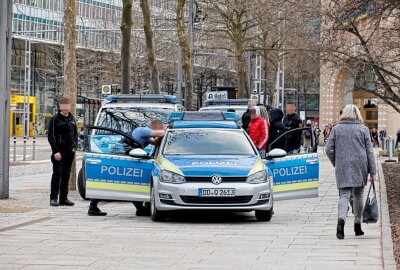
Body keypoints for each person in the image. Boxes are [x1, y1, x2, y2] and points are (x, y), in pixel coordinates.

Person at [88, 119, 167, 216]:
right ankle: (92, 207)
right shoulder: (143, 130)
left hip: (125, 157)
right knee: (110, 182)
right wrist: (166, 128)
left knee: (132, 182)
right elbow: (161, 133)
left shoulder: (146, 136)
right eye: (157, 129)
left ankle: (140, 209)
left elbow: (155, 141)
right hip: (120, 158)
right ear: (154, 127)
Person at [325, 104, 376, 239]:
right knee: (358, 195)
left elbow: (328, 149)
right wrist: (373, 171)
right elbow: (369, 151)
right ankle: (357, 225)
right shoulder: (363, 129)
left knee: (344, 195)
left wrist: (336, 161)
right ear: (357, 114)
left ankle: (340, 222)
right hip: (360, 165)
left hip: (343, 164)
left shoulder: (336, 129)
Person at [47, 97, 78, 207]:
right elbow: (51, 136)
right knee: (57, 174)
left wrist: (75, 146)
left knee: (66, 175)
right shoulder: (55, 119)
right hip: (59, 152)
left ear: (70, 106)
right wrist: (55, 151)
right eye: (63, 105)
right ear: (60, 107)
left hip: (70, 152)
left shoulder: (72, 118)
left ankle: (64, 198)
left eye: (67, 105)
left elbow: (75, 134)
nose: (66, 107)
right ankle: (54, 198)